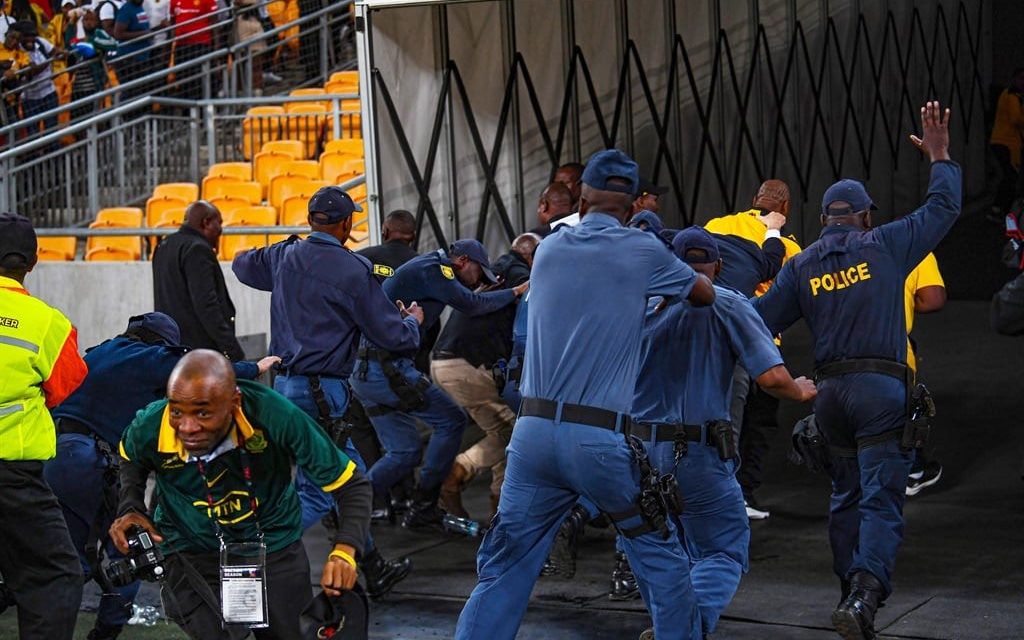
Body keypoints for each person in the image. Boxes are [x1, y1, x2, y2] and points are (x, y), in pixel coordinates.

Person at [454, 149, 716, 640]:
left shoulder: (551, 248)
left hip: (531, 439)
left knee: (505, 566)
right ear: (634, 202)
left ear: (582, 195)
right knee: (658, 552)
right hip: (597, 440)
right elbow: (701, 294)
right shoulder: (643, 253)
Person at [753, 101, 960, 640]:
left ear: (824, 221)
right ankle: (867, 595)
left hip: (829, 397)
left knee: (844, 499)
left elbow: (755, 325)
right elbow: (942, 206)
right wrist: (939, 155)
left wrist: (780, 379)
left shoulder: (801, 266)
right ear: (865, 215)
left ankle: (849, 591)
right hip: (879, 392)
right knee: (881, 499)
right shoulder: (887, 244)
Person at [231, 186, 422, 598]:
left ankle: (372, 565)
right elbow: (393, 336)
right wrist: (412, 322)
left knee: (347, 481)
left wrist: (283, 249)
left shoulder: (284, 256)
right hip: (324, 395)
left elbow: (241, 264)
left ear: (310, 219)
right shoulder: (353, 269)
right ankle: (245, 561)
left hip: (281, 390)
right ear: (347, 224)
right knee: (320, 491)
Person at [627, 227, 816, 637]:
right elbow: (771, 377)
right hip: (696, 454)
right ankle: (679, 631)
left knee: (656, 552)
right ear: (719, 266)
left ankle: (669, 626)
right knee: (723, 550)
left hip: (635, 453)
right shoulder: (728, 303)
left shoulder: (638, 307)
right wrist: (800, 390)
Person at [44, 312, 277, 640]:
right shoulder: (151, 357)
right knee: (131, 552)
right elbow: (201, 373)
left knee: (66, 558)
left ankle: (24, 604)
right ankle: (104, 634)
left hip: (56, 456)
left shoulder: (100, 352)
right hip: (94, 462)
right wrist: (254, 368)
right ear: (163, 344)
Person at [110, 350, 372, 639]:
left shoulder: (275, 415)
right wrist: (131, 506)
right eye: (177, 411)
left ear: (233, 402)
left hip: (272, 545)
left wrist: (345, 550)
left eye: (203, 412)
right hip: (190, 548)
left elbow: (351, 485)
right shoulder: (152, 425)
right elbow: (129, 456)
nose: (187, 427)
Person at [350, 238, 528, 533]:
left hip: (366, 372)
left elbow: (467, 296)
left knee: (404, 452)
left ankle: (346, 506)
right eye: (478, 274)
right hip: (386, 369)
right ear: (462, 262)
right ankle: (425, 505)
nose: (478, 281)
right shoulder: (436, 269)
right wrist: (515, 292)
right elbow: (471, 304)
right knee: (451, 420)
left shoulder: (430, 270)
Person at [0, 212, 88, 640]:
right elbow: (64, 386)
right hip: (15, 480)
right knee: (55, 577)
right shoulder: (48, 322)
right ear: (32, 263)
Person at [705, 178, 802, 520]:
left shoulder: (718, 225)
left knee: (719, 418)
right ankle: (741, 494)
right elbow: (793, 297)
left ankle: (716, 493)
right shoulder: (790, 248)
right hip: (762, 343)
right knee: (755, 426)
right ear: (785, 209)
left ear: (753, 200)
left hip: (715, 335)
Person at [433, 232, 538, 521]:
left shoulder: (497, 274)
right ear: (530, 256)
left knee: (506, 431)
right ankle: (454, 476)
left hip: (446, 362)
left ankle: (500, 508)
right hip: (465, 366)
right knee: (515, 433)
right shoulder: (517, 273)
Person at [153, 200, 246, 361]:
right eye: (219, 223)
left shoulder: (164, 245)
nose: (221, 230)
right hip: (199, 353)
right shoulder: (198, 249)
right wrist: (234, 352)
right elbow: (207, 306)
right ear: (206, 222)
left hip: (171, 347)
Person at [902, 253, 946, 496]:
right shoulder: (915, 248)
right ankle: (912, 472)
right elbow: (933, 299)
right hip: (892, 350)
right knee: (905, 407)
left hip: (839, 348)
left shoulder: (827, 251)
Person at [15, 20, 63, 135]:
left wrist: (60, 53)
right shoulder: (17, 51)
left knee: (51, 131)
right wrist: (49, 60)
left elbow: (54, 51)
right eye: (26, 35)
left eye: (32, 35)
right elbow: (31, 72)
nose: (30, 39)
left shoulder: (40, 42)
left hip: (49, 92)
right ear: (20, 36)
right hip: (30, 98)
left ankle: (52, 152)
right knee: (33, 134)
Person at [990, 68, 1024, 218]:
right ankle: (1000, 209)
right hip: (1005, 142)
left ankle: (1001, 209)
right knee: (1010, 176)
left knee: (1010, 176)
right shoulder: (1012, 95)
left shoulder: (1012, 95)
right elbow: (1015, 119)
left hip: (1005, 142)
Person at [112, 0, 151, 99]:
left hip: (142, 57)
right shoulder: (126, 9)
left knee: (141, 91)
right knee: (131, 93)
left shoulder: (140, 7)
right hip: (129, 59)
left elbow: (144, 30)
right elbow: (118, 33)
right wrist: (142, 34)